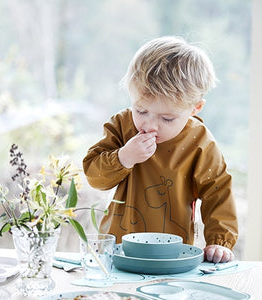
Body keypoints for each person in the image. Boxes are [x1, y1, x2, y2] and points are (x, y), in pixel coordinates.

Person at [83, 36, 238, 263]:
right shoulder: (122, 125)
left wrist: (219, 241)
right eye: (141, 111)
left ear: (195, 108)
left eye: (167, 118)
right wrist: (123, 157)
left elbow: (218, 192)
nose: (149, 125)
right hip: (117, 249)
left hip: (172, 253)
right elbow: (94, 176)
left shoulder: (200, 141)